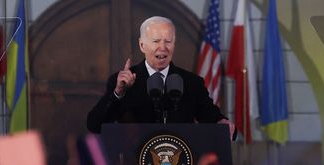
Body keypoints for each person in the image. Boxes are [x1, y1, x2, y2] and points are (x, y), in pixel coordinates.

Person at [87, 16, 236, 140]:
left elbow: (213, 118)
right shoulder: (122, 82)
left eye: (168, 41)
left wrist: (222, 122)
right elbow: (95, 125)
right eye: (156, 41)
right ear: (142, 45)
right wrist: (118, 92)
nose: (163, 47)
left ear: (174, 44)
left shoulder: (192, 83)